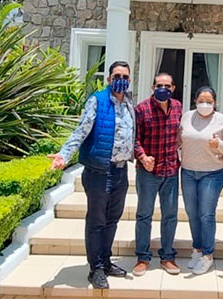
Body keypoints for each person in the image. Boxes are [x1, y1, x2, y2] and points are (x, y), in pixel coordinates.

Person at [48, 61, 135, 290]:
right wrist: (64, 155)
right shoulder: (97, 100)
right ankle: (95, 268)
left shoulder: (128, 102)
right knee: (97, 221)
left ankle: (105, 262)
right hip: (99, 171)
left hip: (120, 171)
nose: (121, 80)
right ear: (109, 79)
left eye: (125, 76)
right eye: (117, 76)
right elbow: (82, 130)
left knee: (112, 219)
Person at [179, 86, 223, 275]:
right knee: (192, 212)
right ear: (195, 101)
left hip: (212, 173)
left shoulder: (222, 120)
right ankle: (197, 249)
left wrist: (218, 144)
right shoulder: (187, 117)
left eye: (209, 102)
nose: (205, 104)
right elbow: (180, 139)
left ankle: (208, 255)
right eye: (201, 101)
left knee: (206, 214)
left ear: (215, 103)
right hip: (188, 172)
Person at [131, 73, 182, 277]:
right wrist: (143, 157)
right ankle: (143, 257)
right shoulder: (141, 109)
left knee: (170, 215)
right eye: (159, 85)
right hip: (148, 172)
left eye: (167, 86)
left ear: (173, 88)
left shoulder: (178, 107)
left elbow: (180, 134)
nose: (163, 89)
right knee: (144, 215)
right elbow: (134, 139)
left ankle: (167, 256)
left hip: (171, 170)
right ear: (153, 87)